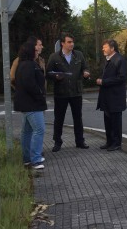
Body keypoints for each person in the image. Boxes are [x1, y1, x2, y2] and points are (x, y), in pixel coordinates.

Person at [46, 33, 91, 152]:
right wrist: (55, 76)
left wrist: (86, 73)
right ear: (62, 43)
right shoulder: (54, 57)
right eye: (69, 42)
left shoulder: (79, 55)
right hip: (61, 93)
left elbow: (85, 68)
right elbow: (48, 73)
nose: (72, 44)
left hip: (76, 92)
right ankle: (57, 142)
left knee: (78, 118)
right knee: (59, 118)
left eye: (72, 42)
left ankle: (80, 141)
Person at [14, 41, 47, 170]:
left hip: (26, 104)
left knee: (27, 132)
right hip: (32, 104)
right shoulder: (29, 65)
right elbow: (29, 84)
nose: (37, 51)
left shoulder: (23, 64)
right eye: (35, 50)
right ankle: (36, 159)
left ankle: (27, 159)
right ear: (30, 51)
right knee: (39, 130)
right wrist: (39, 93)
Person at [95, 39, 127, 151]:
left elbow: (121, 78)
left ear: (112, 48)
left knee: (115, 122)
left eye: (105, 47)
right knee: (108, 121)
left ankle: (117, 143)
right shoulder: (107, 60)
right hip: (106, 98)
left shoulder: (119, 59)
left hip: (116, 98)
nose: (103, 49)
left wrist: (104, 82)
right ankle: (109, 142)